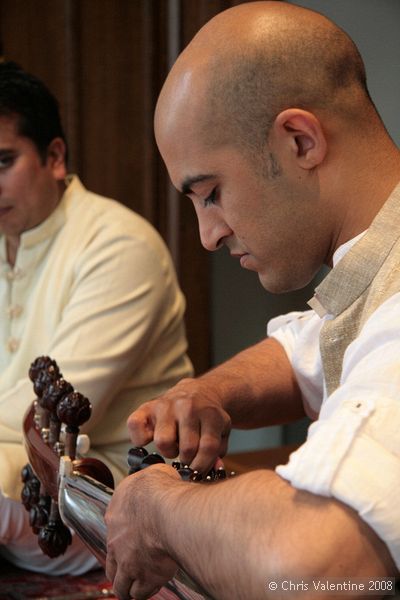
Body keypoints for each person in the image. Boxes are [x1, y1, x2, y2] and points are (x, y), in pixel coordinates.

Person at [104, 1, 400, 599]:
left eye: (211, 194)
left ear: (300, 140)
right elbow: (314, 345)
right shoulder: (374, 269)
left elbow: (317, 570)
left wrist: (156, 507)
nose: (209, 235)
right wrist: (204, 393)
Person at [0, 61, 193, 575]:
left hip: (108, 513)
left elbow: (44, 417)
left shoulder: (118, 245)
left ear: (55, 157)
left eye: (3, 161)